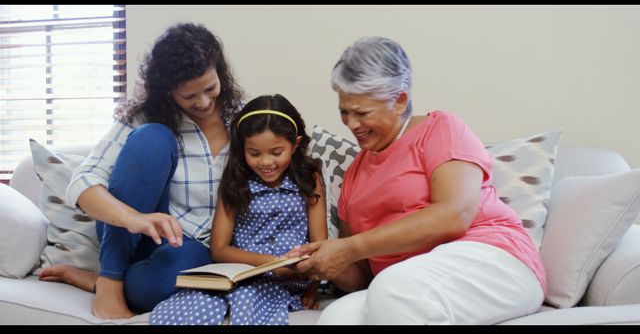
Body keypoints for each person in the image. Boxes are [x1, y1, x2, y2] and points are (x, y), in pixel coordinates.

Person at [290, 36, 547, 325]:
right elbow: (364, 276)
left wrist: (350, 248)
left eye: (362, 112)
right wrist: (330, 263)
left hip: (494, 259)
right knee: (337, 317)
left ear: (399, 101)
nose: (351, 123)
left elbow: (455, 215)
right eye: (344, 112)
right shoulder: (354, 176)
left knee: (393, 289)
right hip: (403, 282)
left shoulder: (441, 129)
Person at [37, 22, 245, 319]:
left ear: (219, 72)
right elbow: (83, 182)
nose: (203, 102)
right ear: (167, 91)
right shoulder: (143, 117)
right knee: (153, 138)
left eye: (210, 88)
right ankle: (110, 280)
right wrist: (134, 218)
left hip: (193, 250)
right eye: (189, 97)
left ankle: (96, 279)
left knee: (176, 275)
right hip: (136, 237)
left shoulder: (243, 118)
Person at [149, 94, 327, 325]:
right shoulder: (236, 180)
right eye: (254, 153)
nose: (266, 162)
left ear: (295, 145)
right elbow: (219, 249)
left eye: (276, 152)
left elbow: (320, 245)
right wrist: (271, 263)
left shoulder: (309, 178)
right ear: (243, 148)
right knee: (199, 306)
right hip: (245, 275)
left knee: (249, 301)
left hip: (293, 277)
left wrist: (312, 291)